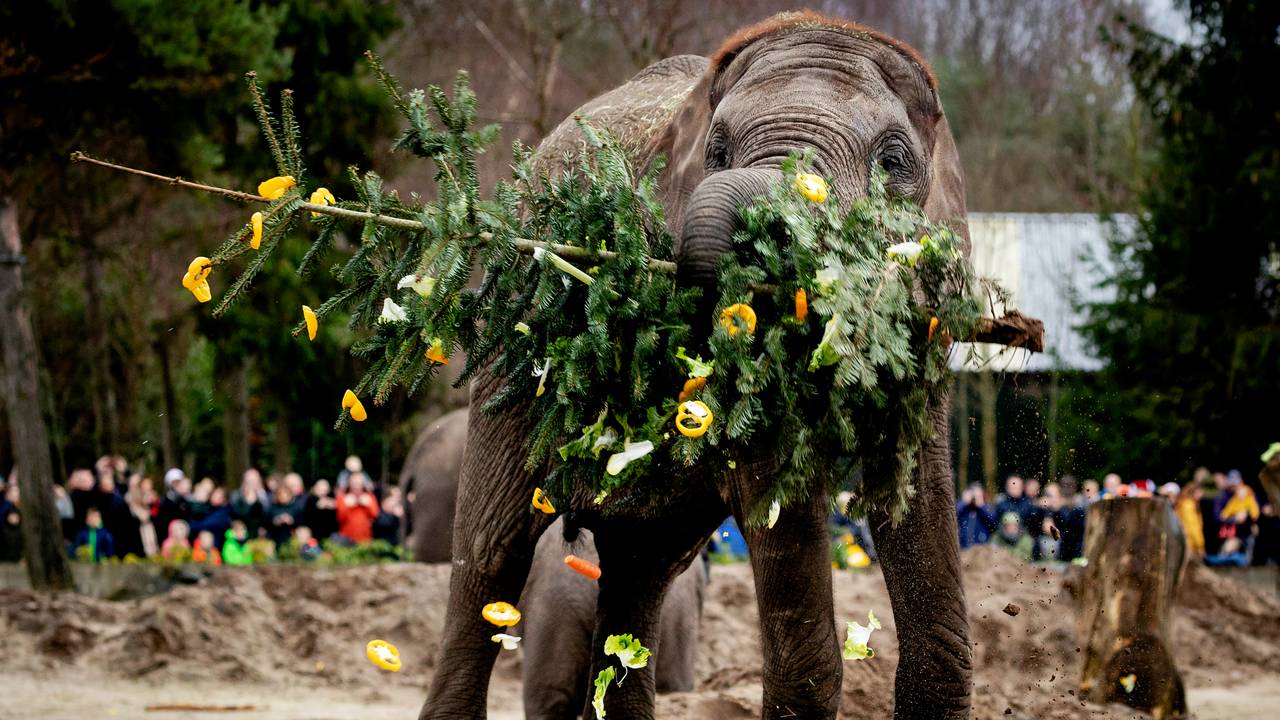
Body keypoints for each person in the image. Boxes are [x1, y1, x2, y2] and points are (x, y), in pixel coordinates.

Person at [336, 472, 378, 543]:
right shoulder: (343, 497)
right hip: (346, 538)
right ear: (349, 483)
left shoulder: (369, 496)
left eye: (359, 482)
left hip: (365, 537)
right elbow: (339, 518)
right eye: (354, 482)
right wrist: (347, 506)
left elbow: (375, 515)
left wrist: (368, 505)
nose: (357, 484)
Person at [231, 468, 271, 539]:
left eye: (254, 481)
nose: (252, 484)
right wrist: (248, 502)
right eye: (249, 481)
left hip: (261, 535)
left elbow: (268, 514)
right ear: (244, 482)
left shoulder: (267, 496)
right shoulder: (236, 496)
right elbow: (236, 514)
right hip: (241, 535)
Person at [155, 468, 192, 544]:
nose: (176, 485)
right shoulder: (165, 501)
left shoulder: (185, 501)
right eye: (174, 482)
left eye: (178, 482)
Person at [956, 483, 996, 549]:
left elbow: (993, 523)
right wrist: (964, 502)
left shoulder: (987, 508)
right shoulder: (963, 508)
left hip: (981, 551)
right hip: (962, 549)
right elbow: (952, 516)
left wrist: (981, 505)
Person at [1174, 481, 1206, 559]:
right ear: (1195, 491)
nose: (1202, 494)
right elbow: (1193, 527)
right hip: (1190, 544)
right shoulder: (1188, 506)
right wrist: (1200, 545)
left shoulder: (1184, 503)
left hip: (1183, 542)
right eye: (1201, 491)